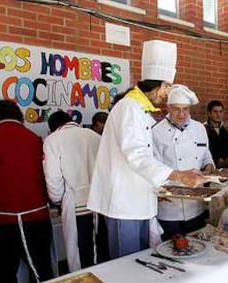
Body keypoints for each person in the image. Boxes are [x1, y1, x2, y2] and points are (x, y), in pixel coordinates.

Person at [87, 40, 206, 259]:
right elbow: (136, 155)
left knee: (141, 261)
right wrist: (178, 175)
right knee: (126, 265)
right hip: (124, 204)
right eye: (168, 87)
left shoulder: (141, 110)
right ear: (159, 84)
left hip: (139, 201)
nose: (167, 93)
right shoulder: (129, 108)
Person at [0, 99, 53, 283]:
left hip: (2, 219)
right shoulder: (35, 138)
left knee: (2, 278)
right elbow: (47, 178)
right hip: (37, 216)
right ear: (18, 115)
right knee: (42, 273)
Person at [43, 111, 107, 272]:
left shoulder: (53, 140)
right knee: (99, 250)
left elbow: (53, 178)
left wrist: (57, 200)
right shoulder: (94, 136)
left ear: (53, 128)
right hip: (99, 203)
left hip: (75, 204)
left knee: (78, 254)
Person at [153, 85, 215, 240]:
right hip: (169, 209)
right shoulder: (156, 132)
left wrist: (209, 166)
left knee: (198, 246)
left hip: (196, 206)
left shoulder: (199, 128)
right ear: (168, 107)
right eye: (176, 109)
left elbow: (206, 154)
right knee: (171, 251)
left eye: (186, 109)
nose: (181, 114)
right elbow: (153, 167)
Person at [204, 100, 228, 168]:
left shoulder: (225, 130)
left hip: (225, 169)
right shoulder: (203, 129)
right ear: (209, 113)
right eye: (215, 112)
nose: (218, 114)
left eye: (220, 112)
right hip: (209, 167)